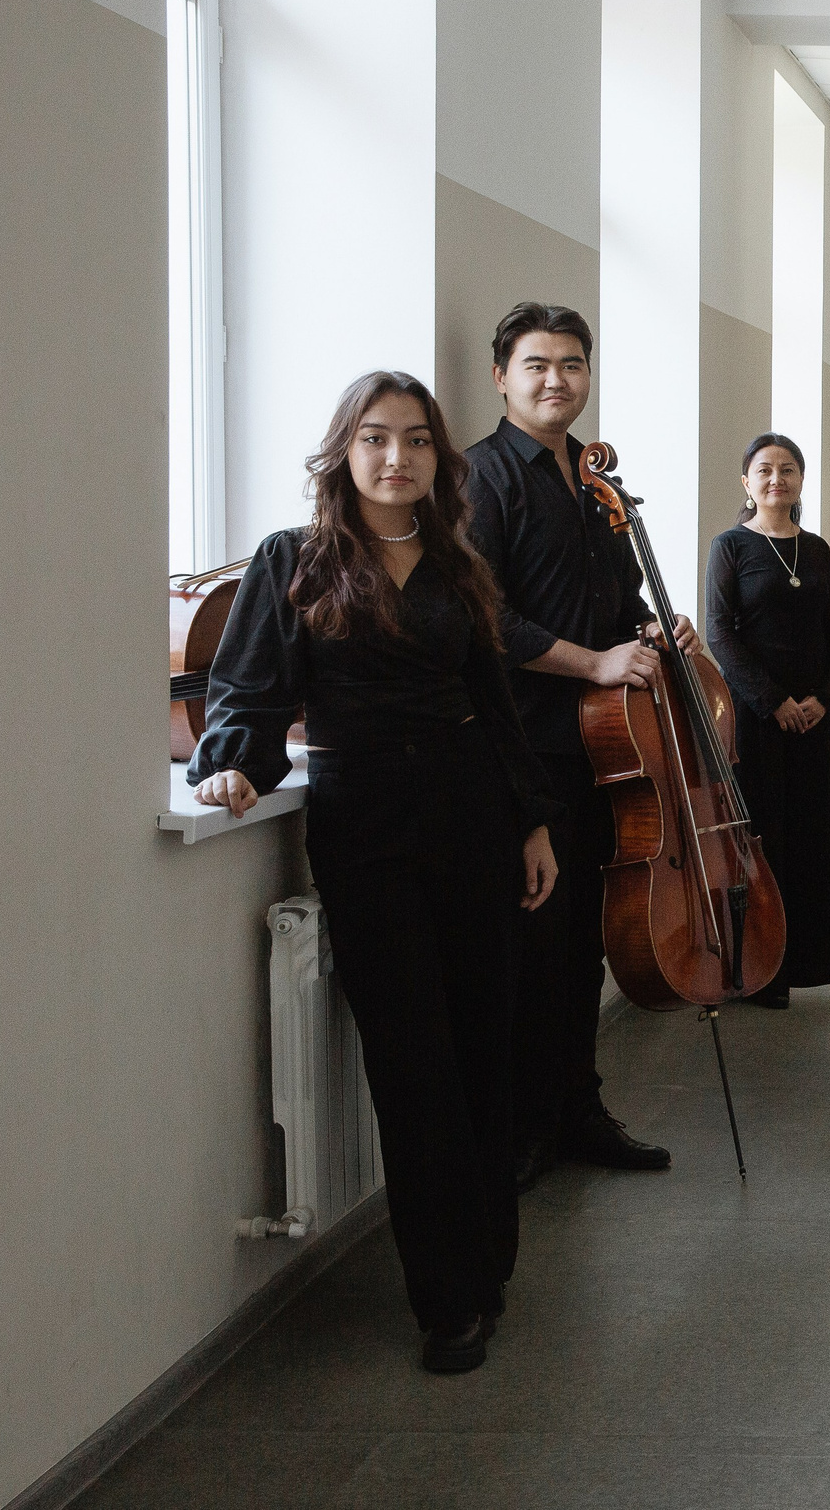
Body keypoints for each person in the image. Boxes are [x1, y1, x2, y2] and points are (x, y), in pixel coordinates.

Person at [190, 372, 559, 1375]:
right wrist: (230, 759)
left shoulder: (458, 563)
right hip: (366, 836)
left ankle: (489, 1264)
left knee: (484, 1041)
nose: (397, 458)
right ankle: (448, 1303)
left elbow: (495, 701)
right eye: (375, 439)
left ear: (441, 458)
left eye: (416, 442)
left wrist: (530, 821)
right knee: (411, 1064)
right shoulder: (294, 560)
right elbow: (251, 689)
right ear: (343, 451)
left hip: (472, 817)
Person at [465, 301, 689, 1189]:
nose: (556, 379)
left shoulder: (592, 481)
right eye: (537, 364)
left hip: (609, 747)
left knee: (583, 942)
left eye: (572, 364)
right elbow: (488, 618)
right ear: (501, 376)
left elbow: (613, 603)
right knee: (534, 942)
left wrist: (653, 631)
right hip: (531, 749)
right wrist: (595, 661)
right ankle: (525, 1127)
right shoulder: (484, 478)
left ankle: (578, 1108)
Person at [706, 433, 830, 1002]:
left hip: (813, 717)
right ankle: (753, 971)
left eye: (787, 470)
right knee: (760, 839)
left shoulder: (814, 549)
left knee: (810, 838)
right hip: (757, 717)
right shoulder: (730, 546)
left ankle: (806, 963)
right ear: (747, 482)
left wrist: (823, 697)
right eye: (764, 470)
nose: (776, 480)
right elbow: (720, 633)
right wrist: (773, 702)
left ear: (799, 480)